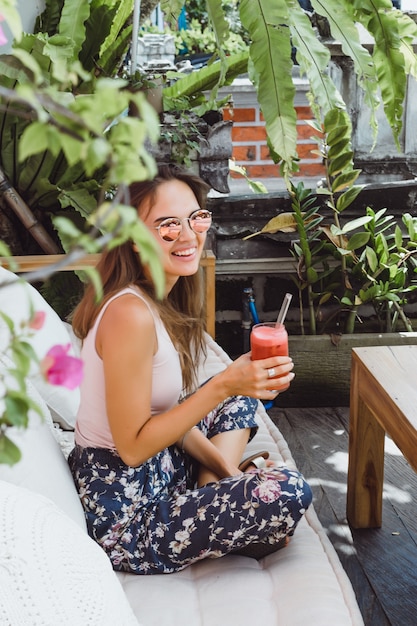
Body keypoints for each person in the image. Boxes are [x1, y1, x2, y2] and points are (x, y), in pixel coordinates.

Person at [68, 163, 312, 574]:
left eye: (196, 218)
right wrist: (221, 386)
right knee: (288, 491)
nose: (188, 236)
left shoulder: (158, 300)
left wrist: (228, 471)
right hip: (127, 514)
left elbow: (168, 418)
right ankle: (218, 509)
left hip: (162, 469)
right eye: (167, 226)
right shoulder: (130, 314)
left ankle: (211, 492)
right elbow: (130, 449)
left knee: (238, 396)